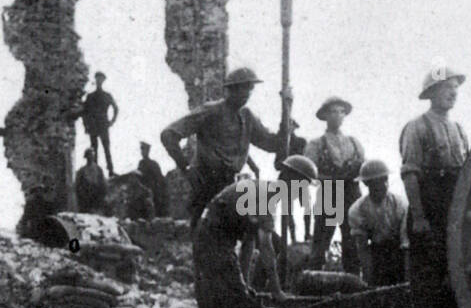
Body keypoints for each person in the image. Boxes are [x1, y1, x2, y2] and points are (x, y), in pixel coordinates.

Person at [190, 155, 319, 308]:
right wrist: (277, 291)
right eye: (302, 186)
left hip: (209, 241)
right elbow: (266, 248)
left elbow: (248, 243)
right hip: (214, 244)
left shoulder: (262, 191)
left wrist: (244, 282)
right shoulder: (264, 196)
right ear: (291, 180)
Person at [401, 66, 471, 308]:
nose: (452, 92)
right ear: (431, 93)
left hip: (456, 213)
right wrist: (419, 217)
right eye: (446, 88)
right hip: (429, 212)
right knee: (428, 289)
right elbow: (410, 175)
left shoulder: (459, 129)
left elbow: (470, 178)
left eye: (455, 88)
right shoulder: (417, 127)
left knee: (458, 286)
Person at [160, 67, 301, 227]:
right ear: (231, 89)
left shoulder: (247, 117)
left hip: (230, 183)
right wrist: (186, 168)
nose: (247, 93)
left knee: (249, 229)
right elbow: (168, 135)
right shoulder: (211, 111)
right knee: (208, 235)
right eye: (243, 87)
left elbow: (273, 144)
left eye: (250, 88)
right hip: (206, 183)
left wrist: (287, 109)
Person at [303, 97, 365, 272]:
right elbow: (309, 172)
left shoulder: (354, 142)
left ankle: (353, 285)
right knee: (321, 242)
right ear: (325, 116)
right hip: (329, 192)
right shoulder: (316, 144)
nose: (338, 115)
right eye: (333, 112)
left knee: (352, 240)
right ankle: (313, 284)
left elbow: (363, 167)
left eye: (341, 112)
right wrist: (328, 178)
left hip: (351, 193)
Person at [348, 159, 408, 287]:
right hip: (377, 253)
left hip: (398, 251)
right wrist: (368, 281)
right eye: (375, 183)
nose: (381, 186)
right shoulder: (357, 210)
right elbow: (362, 248)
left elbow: (405, 243)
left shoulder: (400, 204)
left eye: (383, 180)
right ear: (367, 184)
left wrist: (407, 280)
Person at [82, 71, 119, 175]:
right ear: (96, 80)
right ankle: (96, 172)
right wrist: (86, 125)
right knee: (94, 149)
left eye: (101, 79)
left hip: (103, 124)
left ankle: (110, 170)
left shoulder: (107, 95)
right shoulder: (90, 96)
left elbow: (116, 108)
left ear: (103, 81)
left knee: (106, 148)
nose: (99, 81)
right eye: (97, 79)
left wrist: (112, 121)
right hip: (93, 125)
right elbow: (85, 112)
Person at [137, 141, 168, 219]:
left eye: (144, 150)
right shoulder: (141, 163)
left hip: (153, 190)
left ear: (148, 151)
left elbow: (160, 178)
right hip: (144, 190)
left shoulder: (153, 164)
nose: (143, 152)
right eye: (142, 150)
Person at [74, 148, 107, 214]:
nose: (90, 157)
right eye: (89, 156)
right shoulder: (82, 171)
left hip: (96, 198)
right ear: (86, 157)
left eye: (91, 156)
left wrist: (102, 197)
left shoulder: (98, 169)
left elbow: (103, 185)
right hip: (86, 199)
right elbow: (77, 186)